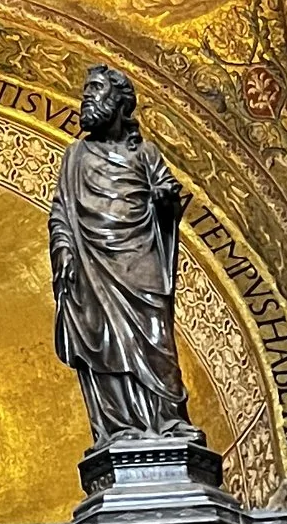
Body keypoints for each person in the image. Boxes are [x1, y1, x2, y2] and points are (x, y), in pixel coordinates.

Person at [48, 67, 192, 444]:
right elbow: (61, 211)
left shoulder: (145, 153)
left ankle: (168, 418)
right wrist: (64, 252)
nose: (87, 98)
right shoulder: (75, 155)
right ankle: (119, 425)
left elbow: (167, 194)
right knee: (103, 343)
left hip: (139, 260)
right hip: (91, 263)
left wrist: (165, 200)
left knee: (157, 339)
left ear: (119, 103)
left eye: (96, 90)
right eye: (86, 90)